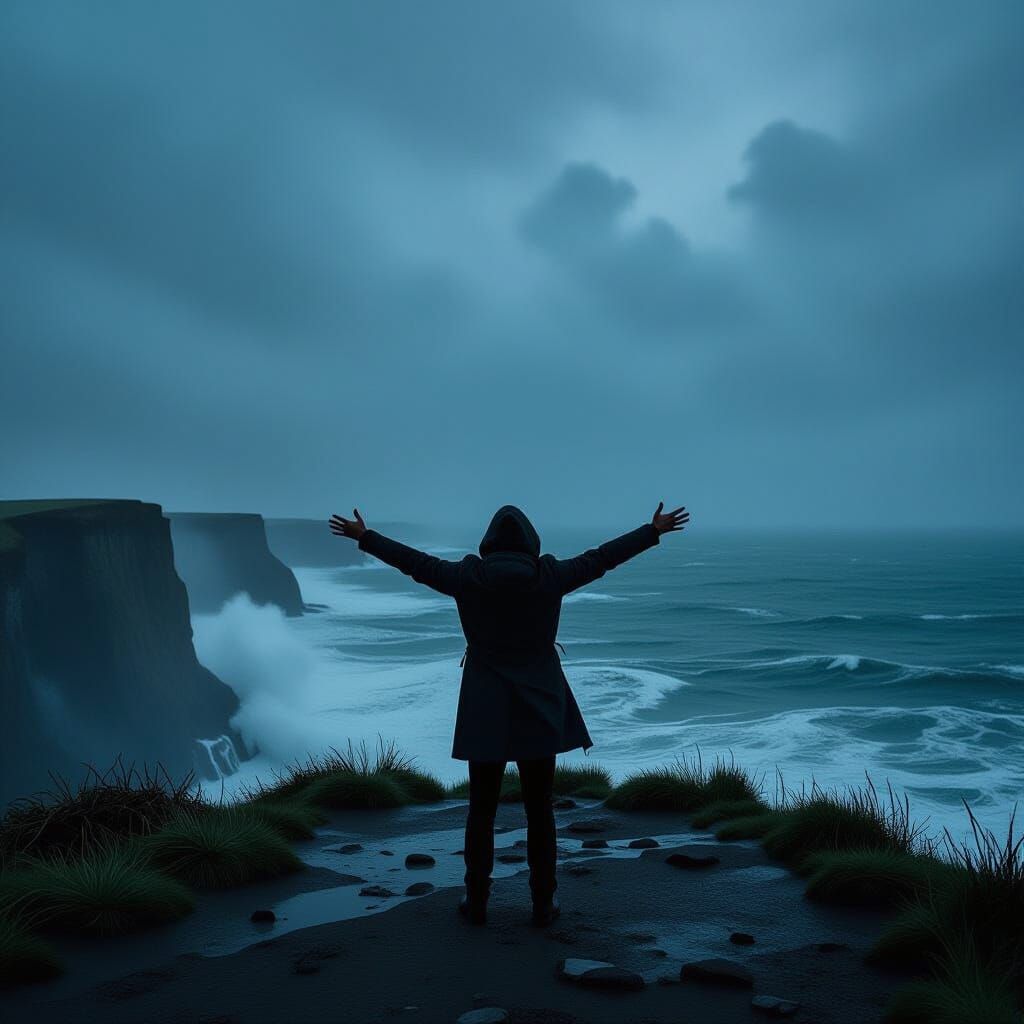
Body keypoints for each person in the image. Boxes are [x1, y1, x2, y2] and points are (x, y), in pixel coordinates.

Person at [328, 501, 689, 927]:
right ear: (532, 544)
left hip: (485, 704)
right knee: (540, 809)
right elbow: (601, 559)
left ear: (488, 544)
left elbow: (414, 563)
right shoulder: (549, 576)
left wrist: (365, 537)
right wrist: (652, 531)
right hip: (540, 701)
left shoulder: (467, 578)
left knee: (481, 809)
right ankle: (543, 905)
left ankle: (476, 902)